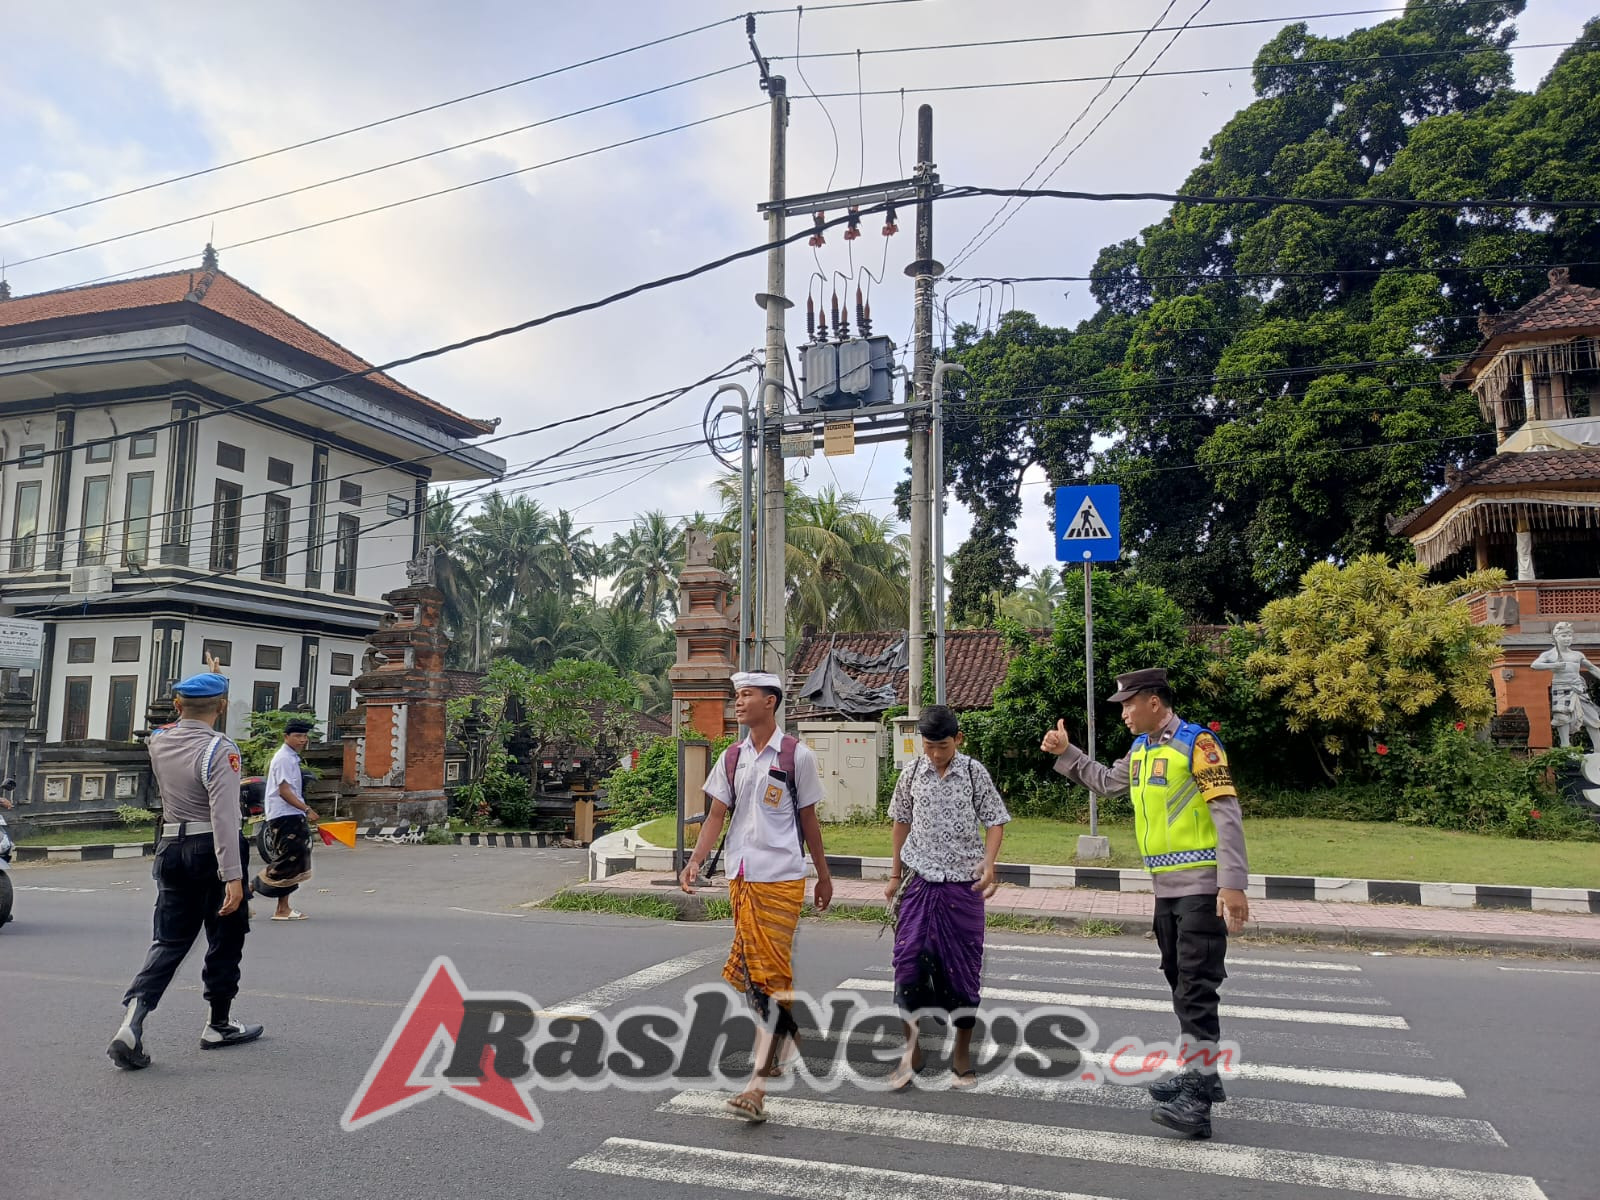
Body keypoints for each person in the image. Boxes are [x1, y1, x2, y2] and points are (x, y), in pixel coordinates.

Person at [1041, 667, 1249, 1139]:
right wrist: (1067, 753)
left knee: (1196, 992)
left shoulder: (1198, 745)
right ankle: (1202, 1075)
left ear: (1154, 702)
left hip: (1200, 890)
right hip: (1166, 893)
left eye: (1129, 705)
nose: (1124, 715)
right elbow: (1105, 781)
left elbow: (1226, 812)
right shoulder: (1141, 750)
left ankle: (1197, 1103)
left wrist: (1232, 883)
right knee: (1182, 987)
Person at [680, 671, 833, 1123]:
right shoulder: (731, 757)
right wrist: (695, 861)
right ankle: (780, 1038)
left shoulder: (795, 756)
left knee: (771, 974)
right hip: (741, 877)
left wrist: (823, 877)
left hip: (782, 877)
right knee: (753, 974)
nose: (739, 703)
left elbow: (809, 823)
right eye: (736, 696)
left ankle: (757, 1086)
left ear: (771, 702)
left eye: (746, 695)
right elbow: (715, 816)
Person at [108, 671, 263, 1070]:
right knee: (225, 936)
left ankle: (132, 1021)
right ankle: (219, 1024)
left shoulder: (158, 741)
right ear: (222, 707)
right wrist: (233, 875)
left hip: (170, 846)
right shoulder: (219, 749)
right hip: (210, 849)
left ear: (177, 706)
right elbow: (225, 815)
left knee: (169, 941)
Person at [882, 704, 1009, 1091]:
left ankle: (961, 1056)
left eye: (942, 746)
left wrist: (989, 863)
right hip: (919, 883)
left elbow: (995, 820)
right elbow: (900, 821)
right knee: (907, 965)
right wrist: (894, 874)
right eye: (928, 746)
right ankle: (913, 1051)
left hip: (962, 887)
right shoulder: (911, 774)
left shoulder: (973, 773)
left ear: (958, 740)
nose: (935, 754)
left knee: (962, 971)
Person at [253, 718, 319, 920]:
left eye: (305, 736)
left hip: (292, 814)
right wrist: (307, 809)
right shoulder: (283, 758)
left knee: (295, 861)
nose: (303, 740)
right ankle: (244, 892)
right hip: (284, 815)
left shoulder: (291, 758)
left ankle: (283, 908)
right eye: (298, 736)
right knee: (286, 860)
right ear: (286, 737)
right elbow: (284, 791)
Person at [1530, 621, 1600, 752]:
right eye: (1564, 636)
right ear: (1556, 637)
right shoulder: (1550, 654)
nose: (1567, 639)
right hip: (1561, 688)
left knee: (1593, 718)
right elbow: (1534, 665)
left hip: (1578, 688)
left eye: (1569, 636)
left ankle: (1598, 750)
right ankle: (1566, 749)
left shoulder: (1577, 655)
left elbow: (1592, 668)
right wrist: (1552, 665)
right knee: (1561, 718)